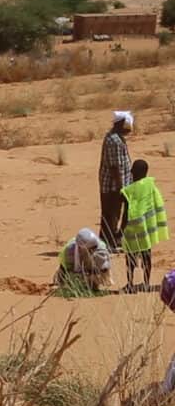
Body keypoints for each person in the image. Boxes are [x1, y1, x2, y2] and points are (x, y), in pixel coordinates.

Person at [120, 159, 168, 291]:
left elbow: (126, 213)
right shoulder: (151, 186)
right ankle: (146, 283)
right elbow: (155, 203)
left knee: (130, 258)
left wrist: (120, 230)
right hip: (145, 229)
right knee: (146, 256)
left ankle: (130, 284)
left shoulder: (129, 191)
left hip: (132, 230)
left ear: (133, 173)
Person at [99, 111, 134, 251]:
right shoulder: (114, 141)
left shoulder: (117, 138)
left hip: (119, 183)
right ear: (121, 124)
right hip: (112, 186)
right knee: (111, 213)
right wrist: (120, 187)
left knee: (115, 213)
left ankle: (111, 240)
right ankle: (109, 243)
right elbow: (114, 166)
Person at [56, 228, 112, 293]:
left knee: (93, 281)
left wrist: (91, 275)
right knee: (71, 282)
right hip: (72, 268)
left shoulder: (101, 249)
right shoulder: (69, 251)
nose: (93, 250)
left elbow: (104, 270)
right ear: (80, 247)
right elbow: (66, 268)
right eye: (90, 248)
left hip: (92, 269)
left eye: (94, 247)